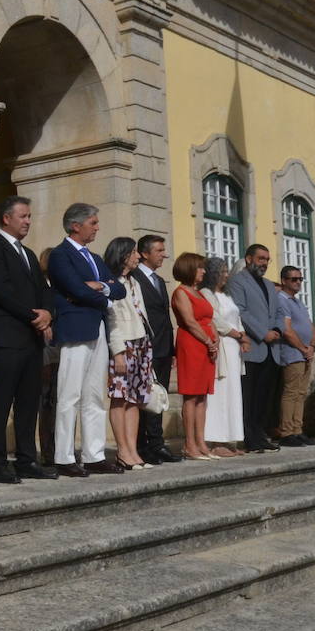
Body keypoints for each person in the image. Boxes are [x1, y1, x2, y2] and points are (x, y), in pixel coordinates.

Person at [0, 196, 54, 482]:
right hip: (7, 338)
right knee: (2, 401)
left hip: (32, 339)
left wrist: (48, 312)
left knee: (28, 401)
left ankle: (27, 459)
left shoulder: (29, 254)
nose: (28, 221)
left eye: (29, 216)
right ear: (6, 218)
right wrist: (34, 316)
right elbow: (1, 291)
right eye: (23, 216)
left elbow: (44, 289)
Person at [47, 202, 125, 477]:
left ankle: (94, 454)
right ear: (75, 225)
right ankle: (64, 456)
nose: (97, 228)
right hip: (75, 329)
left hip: (97, 327)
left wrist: (99, 286)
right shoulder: (60, 255)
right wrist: (103, 294)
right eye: (93, 223)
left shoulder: (95, 257)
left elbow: (120, 289)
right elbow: (75, 289)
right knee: (69, 394)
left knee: (94, 395)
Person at [228, 244, 286, 453]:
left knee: (265, 396)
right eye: (261, 258)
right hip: (253, 348)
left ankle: (261, 434)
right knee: (250, 396)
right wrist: (263, 333)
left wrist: (277, 329)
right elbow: (240, 311)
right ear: (249, 259)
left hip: (272, 349)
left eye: (267, 259)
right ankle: (250, 437)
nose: (264, 263)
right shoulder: (237, 281)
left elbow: (279, 311)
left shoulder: (269, 285)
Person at [102, 237, 154, 471]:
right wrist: (118, 351)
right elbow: (111, 319)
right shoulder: (111, 282)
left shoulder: (134, 282)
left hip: (141, 341)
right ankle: (122, 450)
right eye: (134, 252)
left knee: (135, 399)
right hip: (124, 344)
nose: (138, 256)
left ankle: (133, 451)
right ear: (123, 255)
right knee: (120, 397)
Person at [131, 234, 180, 464]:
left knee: (159, 397)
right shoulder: (134, 277)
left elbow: (164, 317)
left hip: (163, 347)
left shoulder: (159, 280)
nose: (164, 255)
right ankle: (143, 445)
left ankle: (156, 443)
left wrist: (172, 349)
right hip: (145, 347)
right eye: (159, 251)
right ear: (144, 253)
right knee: (144, 397)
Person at [171, 252, 218, 461]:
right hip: (192, 344)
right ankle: (189, 444)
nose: (203, 271)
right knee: (191, 395)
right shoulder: (181, 292)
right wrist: (208, 341)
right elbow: (189, 321)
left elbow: (209, 319)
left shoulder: (199, 293)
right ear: (189, 268)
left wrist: (215, 340)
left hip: (207, 345)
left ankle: (201, 442)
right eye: (199, 267)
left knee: (202, 395)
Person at [203, 256, 248, 457]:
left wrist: (242, 335)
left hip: (234, 348)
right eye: (222, 272)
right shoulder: (207, 294)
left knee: (233, 394)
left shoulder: (227, 296)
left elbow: (236, 318)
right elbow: (216, 320)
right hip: (222, 346)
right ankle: (216, 441)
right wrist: (237, 334)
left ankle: (231, 439)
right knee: (220, 394)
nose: (226, 275)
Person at [276, 265, 315, 447]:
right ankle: (286, 432)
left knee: (301, 393)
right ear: (284, 281)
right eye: (293, 279)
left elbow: (310, 325)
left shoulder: (298, 302)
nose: (298, 282)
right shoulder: (282, 300)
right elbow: (287, 330)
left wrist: (312, 346)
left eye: (300, 279)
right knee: (291, 392)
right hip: (293, 352)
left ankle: (297, 429)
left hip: (305, 353)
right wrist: (303, 348)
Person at [37, 247, 59, 467]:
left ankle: (58, 447)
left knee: (57, 399)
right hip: (45, 347)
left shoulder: (60, 286)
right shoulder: (41, 284)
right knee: (46, 400)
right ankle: (47, 451)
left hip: (61, 345)